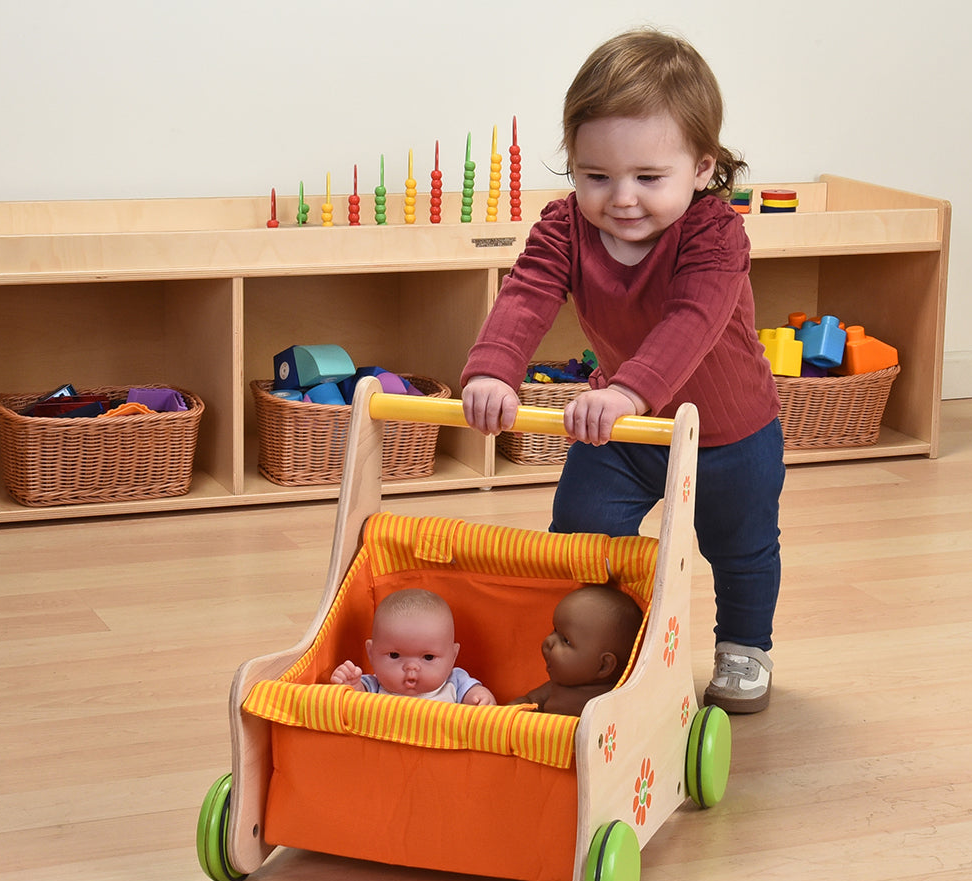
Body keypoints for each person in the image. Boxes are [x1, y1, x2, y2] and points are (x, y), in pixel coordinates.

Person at [461, 28, 784, 714]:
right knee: (581, 530)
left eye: (648, 177)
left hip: (730, 434)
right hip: (626, 431)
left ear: (701, 168)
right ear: (573, 166)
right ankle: (605, 644)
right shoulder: (563, 229)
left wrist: (631, 389)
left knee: (741, 547)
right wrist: (492, 370)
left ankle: (745, 646)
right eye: (596, 177)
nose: (622, 199)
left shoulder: (715, 234)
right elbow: (526, 294)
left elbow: (690, 322)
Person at [330, 588, 496, 705]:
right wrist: (351, 686)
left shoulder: (456, 683)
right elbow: (354, 702)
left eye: (428, 657)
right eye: (394, 655)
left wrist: (480, 698)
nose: (411, 668)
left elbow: (476, 695)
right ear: (371, 654)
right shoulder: (372, 686)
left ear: (453, 657)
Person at [510, 585, 644, 716]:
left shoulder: (610, 703)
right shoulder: (554, 687)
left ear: (604, 666)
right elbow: (529, 701)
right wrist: (516, 707)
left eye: (566, 641)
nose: (549, 641)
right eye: (555, 630)